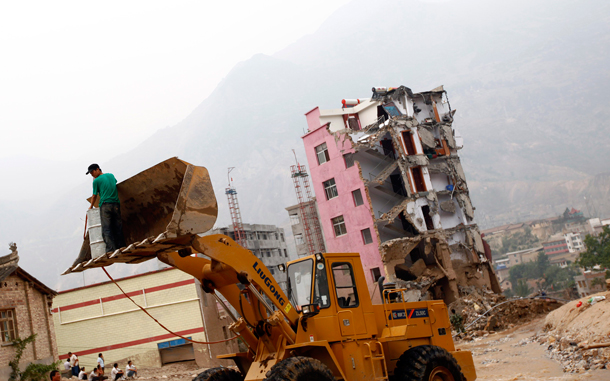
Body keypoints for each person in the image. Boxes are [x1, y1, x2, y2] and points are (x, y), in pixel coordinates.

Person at [87, 164, 125, 253]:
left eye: (92, 172)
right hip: (115, 204)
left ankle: (111, 249)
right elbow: (113, 183)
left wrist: (91, 206)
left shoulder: (96, 181)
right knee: (118, 226)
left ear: (97, 169)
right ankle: (121, 246)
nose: (92, 174)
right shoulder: (111, 175)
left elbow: (94, 195)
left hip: (105, 205)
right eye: (90, 173)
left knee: (106, 228)